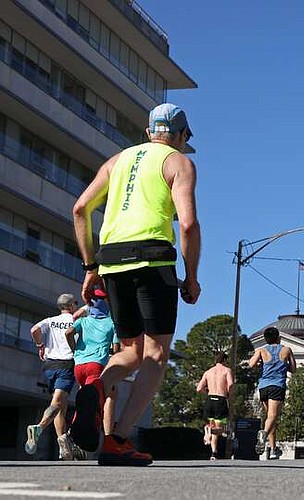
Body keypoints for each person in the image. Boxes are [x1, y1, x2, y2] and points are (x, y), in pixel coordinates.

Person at [71, 103, 201, 466]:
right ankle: (118, 439)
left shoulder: (116, 161)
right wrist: (190, 277)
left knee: (130, 350)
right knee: (156, 355)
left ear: (148, 133)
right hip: (153, 260)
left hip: (111, 262)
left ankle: (95, 388)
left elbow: (80, 209)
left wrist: (90, 267)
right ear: (181, 135)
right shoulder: (178, 163)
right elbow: (188, 225)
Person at [64, 290, 119, 457]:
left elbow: (68, 333)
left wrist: (75, 350)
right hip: (97, 366)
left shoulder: (83, 321)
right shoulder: (111, 323)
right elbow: (116, 351)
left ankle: (74, 440)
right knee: (94, 404)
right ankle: (82, 436)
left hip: (79, 366)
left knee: (83, 402)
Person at [25, 294, 79, 460]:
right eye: (76, 303)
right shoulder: (75, 320)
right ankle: (38, 428)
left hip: (49, 365)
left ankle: (63, 446)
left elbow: (34, 330)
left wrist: (40, 345)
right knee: (56, 403)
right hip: (66, 363)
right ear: (71, 306)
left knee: (60, 407)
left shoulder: (50, 320)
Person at [249, 327, 296, 459]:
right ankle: (263, 434)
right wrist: (284, 365)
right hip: (277, 386)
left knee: (270, 418)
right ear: (279, 337)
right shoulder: (286, 350)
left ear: (265, 339)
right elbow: (293, 369)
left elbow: (251, 364)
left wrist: (260, 364)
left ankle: (274, 449)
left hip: (263, 386)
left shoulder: (261, 350)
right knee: (273, 416)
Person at [196, 352, 234, 460]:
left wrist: (207, 392)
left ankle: (214, 453)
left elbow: (199, 388)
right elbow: (230, 384)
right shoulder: (227, 370)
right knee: (220, 430)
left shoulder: (208, 372)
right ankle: (210, 431)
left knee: (212, 425)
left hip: (209, 400)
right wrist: (229, 396)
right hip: (220, 400)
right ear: (225, 360)